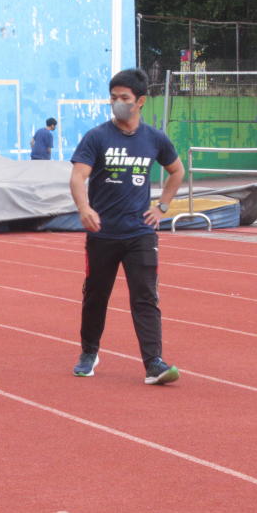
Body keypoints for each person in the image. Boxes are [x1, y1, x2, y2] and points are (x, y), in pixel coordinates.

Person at [69, 68, 185, 385]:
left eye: (124, 98)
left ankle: (154, 364)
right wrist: (84, 208)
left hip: (140, 233)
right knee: (96, 296)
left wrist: (162, 206)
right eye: (113, 98)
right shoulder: (97, 137)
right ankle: (89, 353)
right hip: (103, 233)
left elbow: (177, 171)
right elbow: (78, 176)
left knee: (145, 297)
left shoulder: (154, 139)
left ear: (141, 101)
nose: (117, 103)